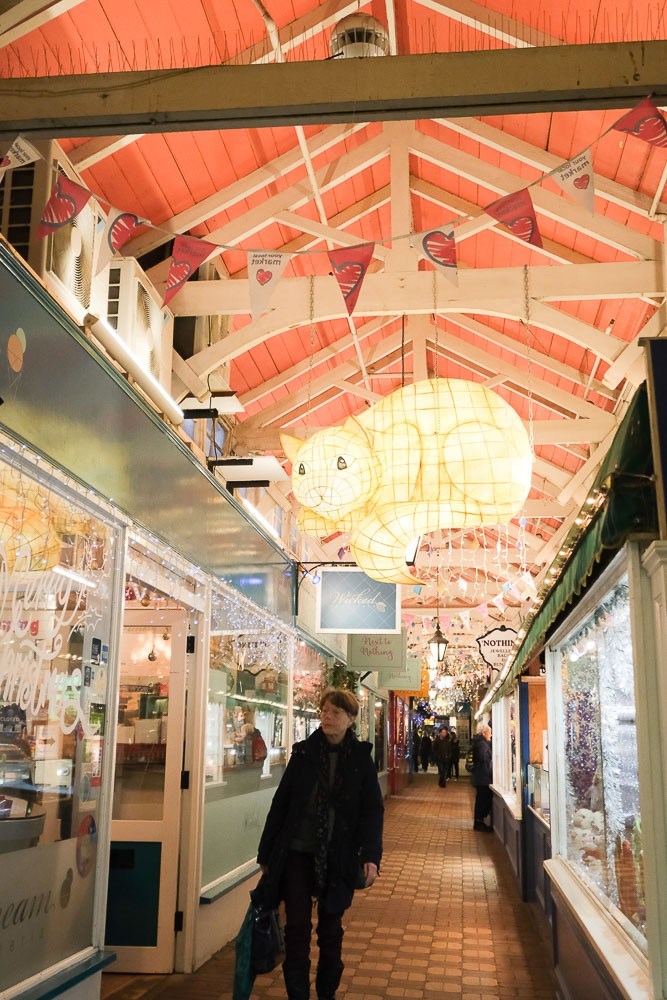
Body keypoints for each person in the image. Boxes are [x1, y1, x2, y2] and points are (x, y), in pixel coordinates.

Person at [256, 687, 384, 1000]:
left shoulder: (360, 761)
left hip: (338, 855)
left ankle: (326, 992)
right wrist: (266, 853)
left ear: (350, 719)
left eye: (335, 712)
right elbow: (281, 804)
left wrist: (371, 856)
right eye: (325, 711)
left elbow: (371, 812)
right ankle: (298, 994)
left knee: (330, 930)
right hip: (298, 852)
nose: (327, 717)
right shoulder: (303, 754)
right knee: (296, 929)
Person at [471, 723, 493, 832]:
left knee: (480, 800)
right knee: (482, 800)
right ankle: (479, 822)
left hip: (480, 777)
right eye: (489, 732)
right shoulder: (483, 745)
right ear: (484, 733)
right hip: (483, 778)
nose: (491, 735)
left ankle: (479, 821)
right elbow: (485, 761)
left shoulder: (479, 743)